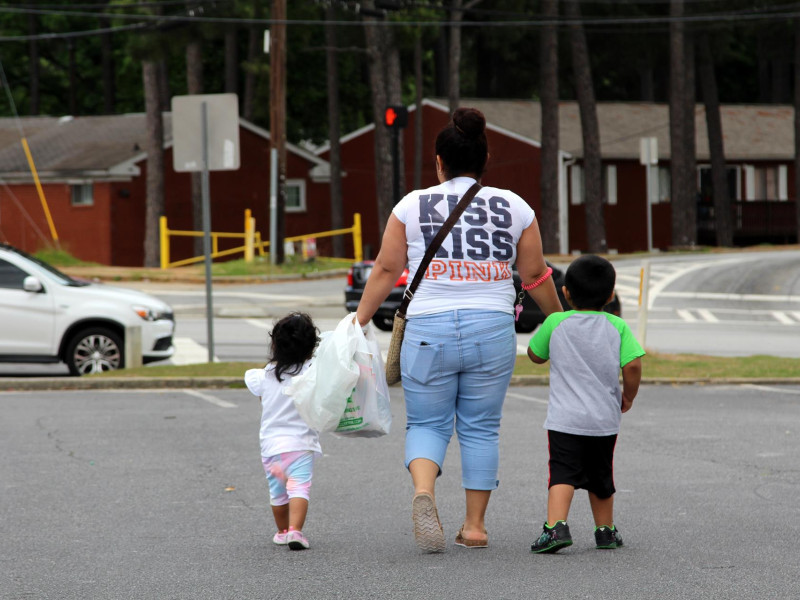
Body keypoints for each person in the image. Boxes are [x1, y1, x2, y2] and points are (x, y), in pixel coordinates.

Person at [356, 107, 563, 552]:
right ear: (485, 160)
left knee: (427, 423)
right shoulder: (516, 207)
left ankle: (424, 492)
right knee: (481, 428)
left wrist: (357, 320)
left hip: (428, 327)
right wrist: (561, 319)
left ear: (438, 161)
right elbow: (535, 275)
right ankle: (474, 526)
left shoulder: (411, 205)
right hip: (491, 327)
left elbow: (387, 268)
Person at [527, 254, 644, 553]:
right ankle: (605, 530)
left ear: (566, 292)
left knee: (563, 473)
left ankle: (556, 528)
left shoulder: (556, 322)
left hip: (565, 419)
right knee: (601, 475)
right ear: (609, 295)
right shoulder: (618, 326)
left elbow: (534, 354)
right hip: (604, 420)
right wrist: (628, 395)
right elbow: (632, 365)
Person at [244, 312, 321, 551]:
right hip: (301, 444)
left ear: (275, 344)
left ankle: (282, 531)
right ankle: (296, 531)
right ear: (311, 346)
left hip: (272, 448)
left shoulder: (264, 375)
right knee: (299, 488)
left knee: (278, 493)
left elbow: (261, 398)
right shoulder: (312, 372)